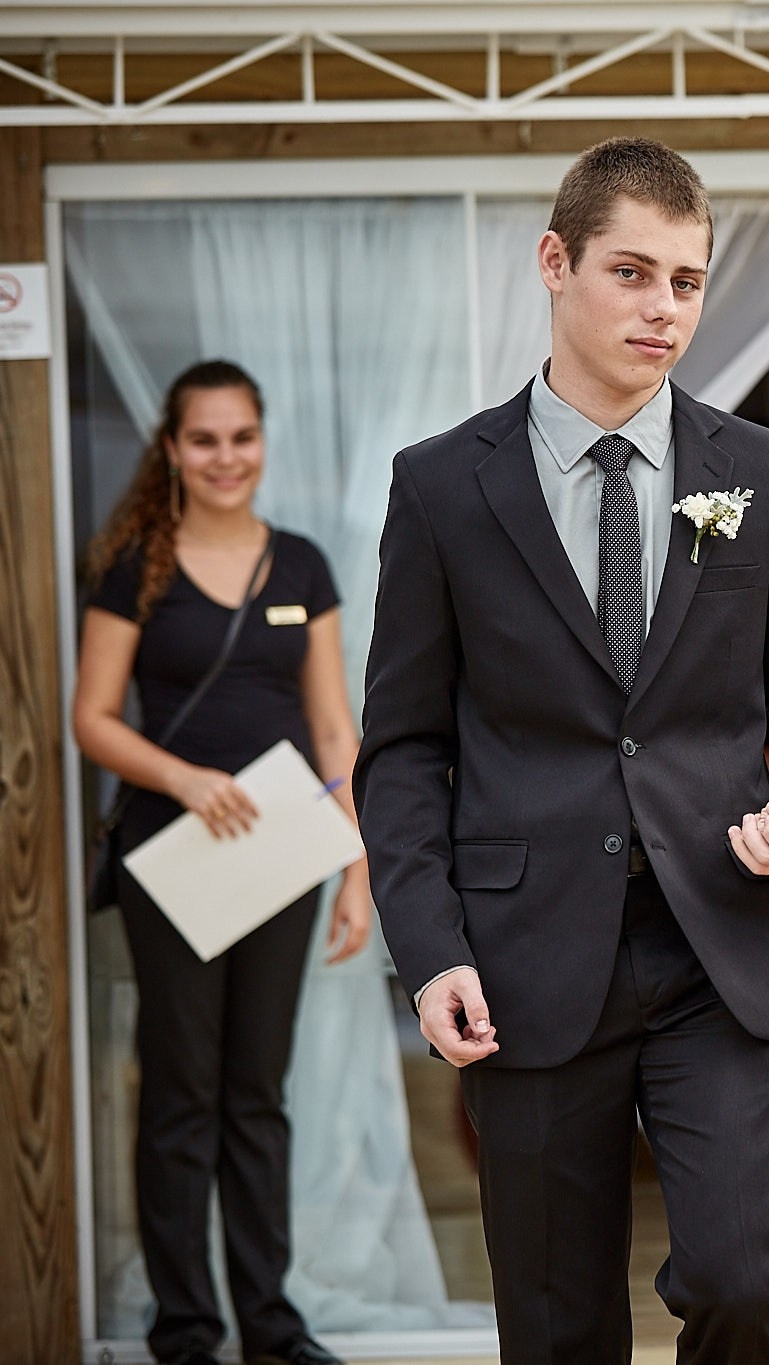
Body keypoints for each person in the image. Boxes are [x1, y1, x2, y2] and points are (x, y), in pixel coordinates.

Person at [353, 137, 769, 1365]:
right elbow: (404, 750)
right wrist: (428, 951)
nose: (663, 309)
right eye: (632, 273)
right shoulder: (439, 488)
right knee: (553, 1326)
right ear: (555, 261)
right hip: (527, 960)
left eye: (687, 281)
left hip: (725, 946)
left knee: (745, 1281)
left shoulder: (761, 472)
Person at [73, 359, 370, 1365]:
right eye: (204, 439)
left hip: (285, 858)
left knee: (258, 1093)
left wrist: (359, 870)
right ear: (172, 448)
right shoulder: (134, 569)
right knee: (180, 1094)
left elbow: (335, 729)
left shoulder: (301, 567)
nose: (224, 457)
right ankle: (186, 1332)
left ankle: (271, 1329)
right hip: (176, 858)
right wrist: (187, 778)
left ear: (262, 441)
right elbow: (91, 720)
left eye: (241, 437)